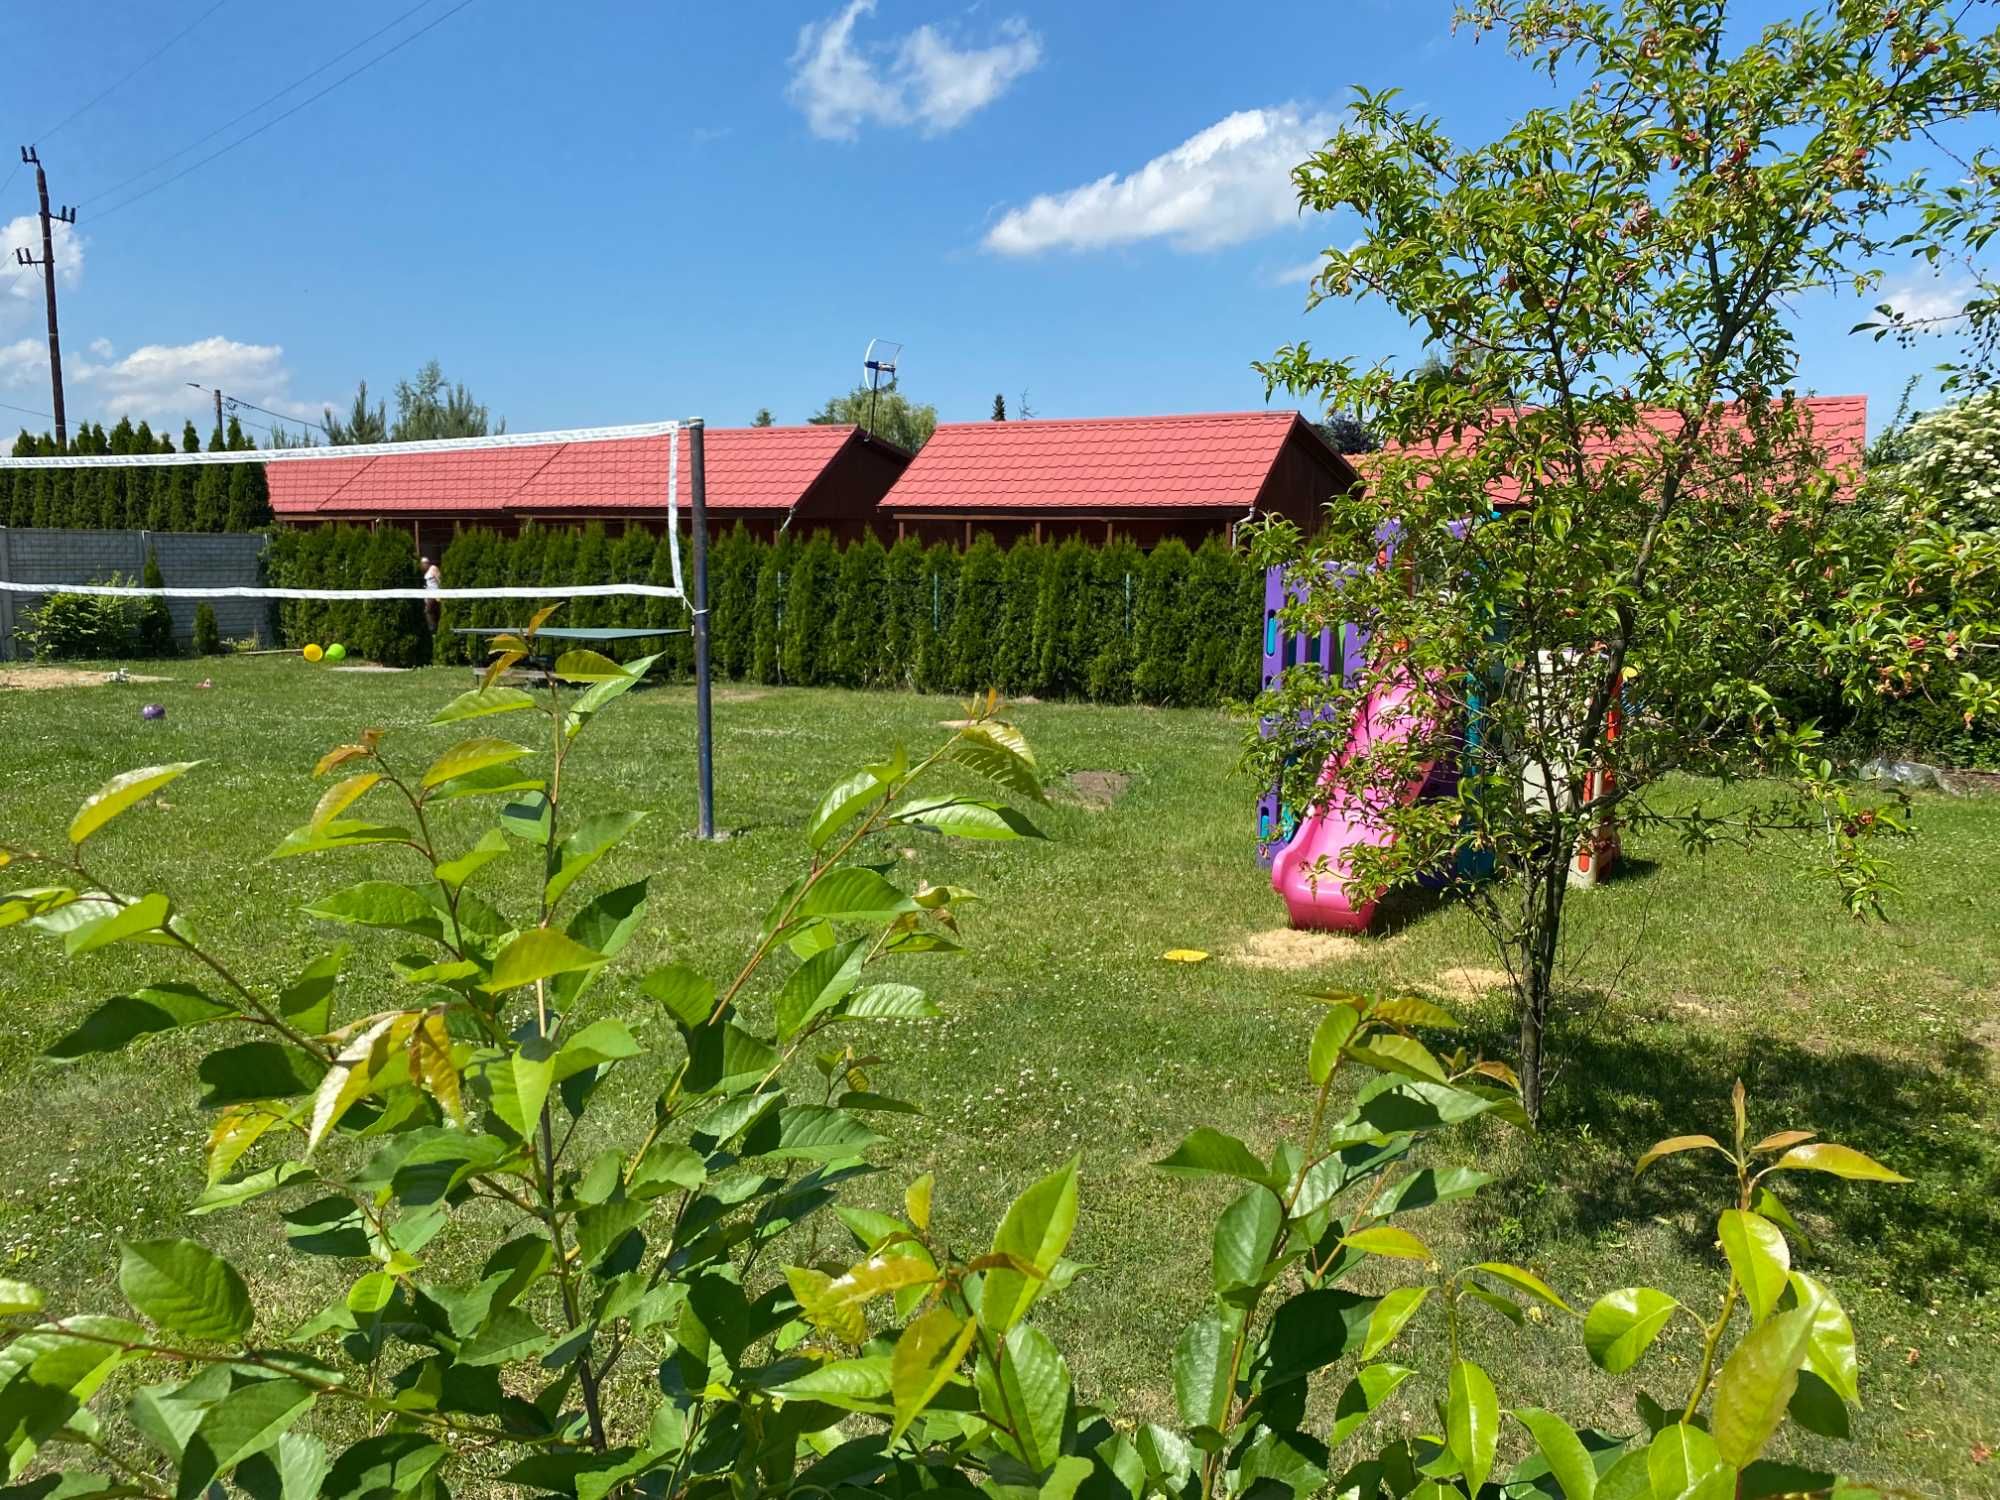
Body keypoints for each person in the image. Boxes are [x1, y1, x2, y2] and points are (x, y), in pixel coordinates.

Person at [422, 555, 442, 631]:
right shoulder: (424, 572)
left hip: (435, 593)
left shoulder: (433, 568)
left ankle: (432, 628)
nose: (423, 565)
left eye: (424, 563)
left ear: (427, 563)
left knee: (427, 610)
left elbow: (439, 579)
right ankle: (435, 627)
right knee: (434, 611)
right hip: (428, 594)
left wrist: (440, 593)